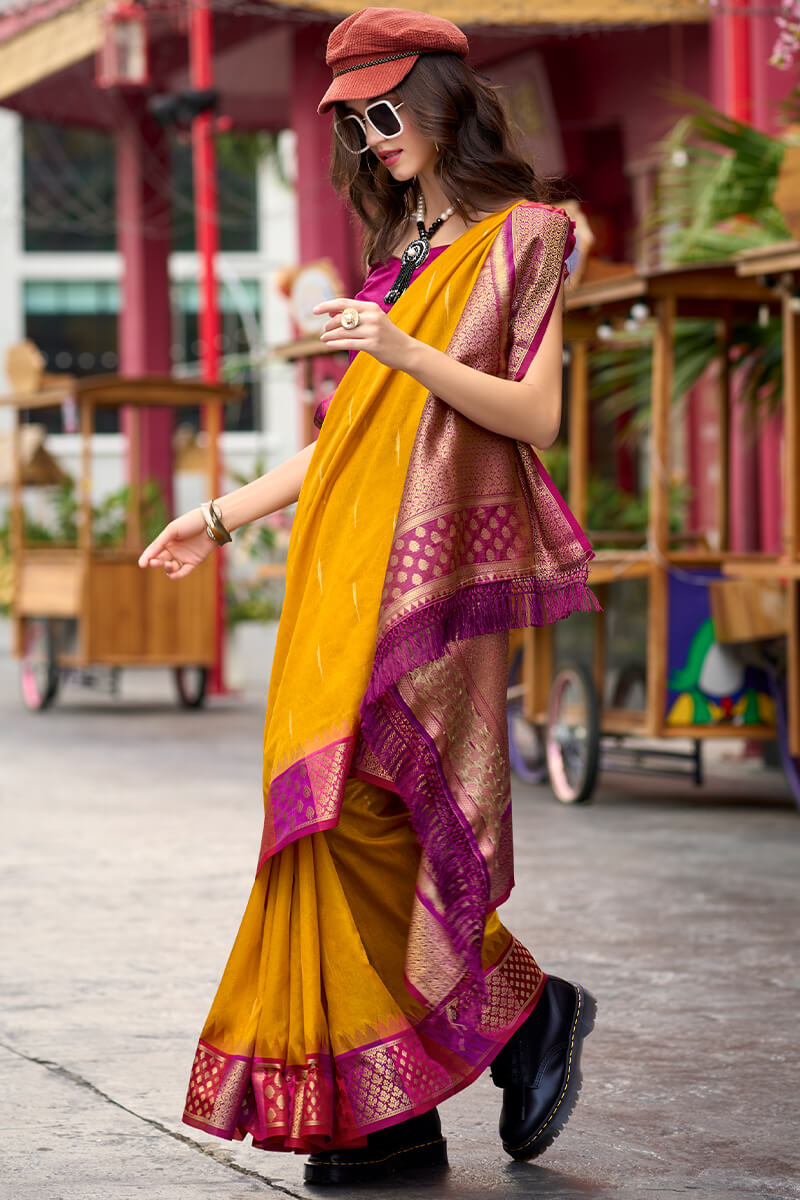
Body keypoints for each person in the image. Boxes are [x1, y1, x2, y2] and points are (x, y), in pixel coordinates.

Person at [138, 7, 598, 1186]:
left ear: (446, 93)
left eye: (386, 105)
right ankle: (386, 1114)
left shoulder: (532, 235)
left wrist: (399, 346)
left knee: (388, 811)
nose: (372, 131)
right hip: (338, 571)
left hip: (436, 573)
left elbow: (533, 418)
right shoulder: (395, 257)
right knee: (325, 825)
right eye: (353, 115)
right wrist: (217, 515)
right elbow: (350, 438)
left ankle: (519, 1016)